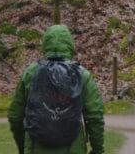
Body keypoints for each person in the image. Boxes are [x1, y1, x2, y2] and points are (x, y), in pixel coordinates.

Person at [8, 24, 105, 154]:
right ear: (70, 44)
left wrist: (22, 147)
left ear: (45, 44)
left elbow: (15, 116)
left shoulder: (31, 73)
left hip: (35, 148)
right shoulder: (81, 75)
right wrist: (98, 150)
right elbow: (95, 116)